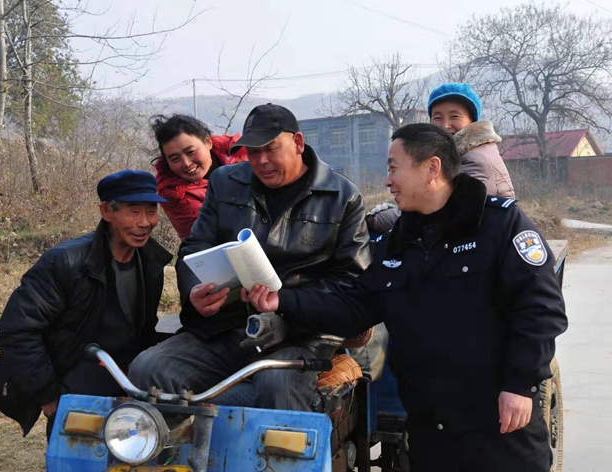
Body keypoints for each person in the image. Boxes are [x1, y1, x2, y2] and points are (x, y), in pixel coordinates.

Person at [243, 124, 567, 471]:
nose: (387, 180)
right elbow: (353, 305)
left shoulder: (501, 225)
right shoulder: (397, 243)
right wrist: (283, 301)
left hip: (498, 424)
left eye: (394, 167)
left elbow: (541, 310)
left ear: (432, 168)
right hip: (431, 432)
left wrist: (520, 385)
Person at [129, 103, 372, 411]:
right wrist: (195, 291)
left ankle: (276, 459)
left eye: (271, 149)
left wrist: (284, 302)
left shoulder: (341, 196)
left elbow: (352, 287)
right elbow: (195, 246)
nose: (262, 161)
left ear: (298, 143)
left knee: (276, 386)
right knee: (148, 369)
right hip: (227, 326)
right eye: (253, 152)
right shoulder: (226, 182)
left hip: (301, 334)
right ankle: (171, 453)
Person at [0, 170, 173, 437]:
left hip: (126, 377)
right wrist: (49, 395)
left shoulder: (150, 260)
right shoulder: (66, 262)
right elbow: (18, 329)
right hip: (73, 376)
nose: (145, 222)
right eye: (133, 212)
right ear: (106, 212)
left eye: (151, 211)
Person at [366, 82, 515, 234]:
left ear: (472, 122)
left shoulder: (476, 159)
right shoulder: (449, 156)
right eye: (437, 117)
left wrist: (375, 220)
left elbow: (441, 209)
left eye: (455, 116)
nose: (445, 125)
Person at [151, 114, 248, 239]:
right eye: (175, 159)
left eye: (190, 152)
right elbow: (218, 237)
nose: (186, 163)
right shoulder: (176, 196)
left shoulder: (239, 150)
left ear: (208, 142)